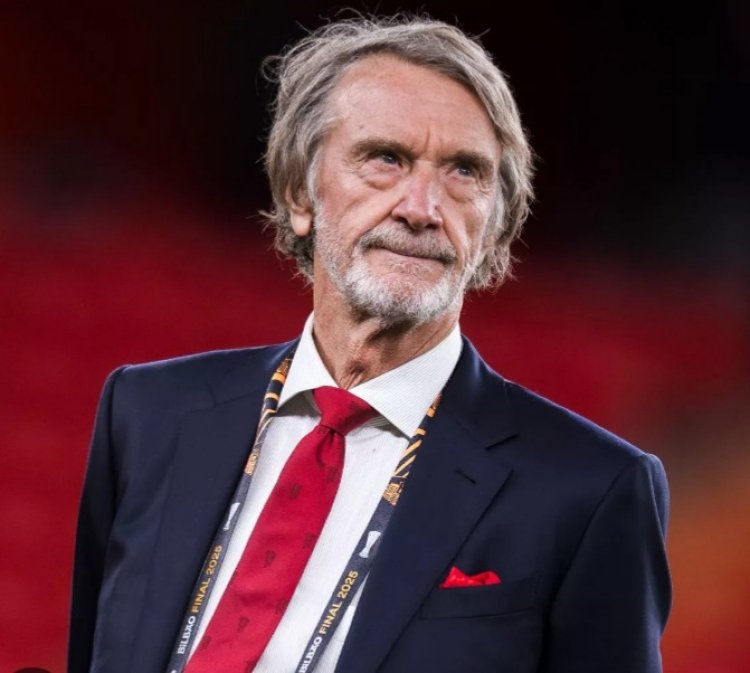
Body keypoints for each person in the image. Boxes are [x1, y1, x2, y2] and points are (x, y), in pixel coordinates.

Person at [69, 15, 671, 673]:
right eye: (386, 158)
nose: (421, 208)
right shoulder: (148, 412)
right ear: (299, 195)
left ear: (494, 228)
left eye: (464, 171)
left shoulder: (590, 488)